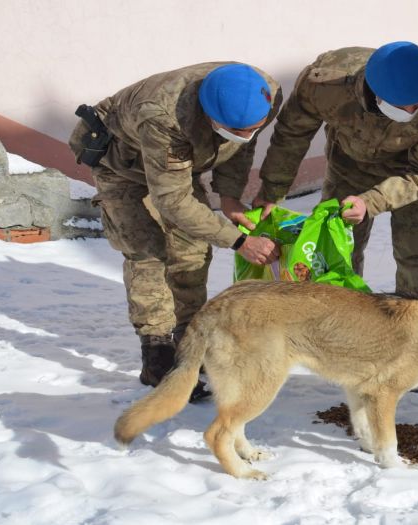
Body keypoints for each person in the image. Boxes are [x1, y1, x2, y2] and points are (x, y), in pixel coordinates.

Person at [69, 63, 282, 400]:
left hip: (178, 163)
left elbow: (240, 148)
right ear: (211, 117)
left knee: (192, 248)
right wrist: (238, 241)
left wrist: (228, 196)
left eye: (253, 128)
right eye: (235, 129)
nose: (246, 135)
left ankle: (190, 340)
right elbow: (173, 202)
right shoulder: (164, 117)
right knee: (146, 249)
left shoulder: (264, 94)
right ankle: (157, 354)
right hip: (120, 161)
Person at [256, 42, 418, 305]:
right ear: (374, 93)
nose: (412, 113)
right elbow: (292, 135)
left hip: (416, 176)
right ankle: (343, 321)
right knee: (336, 252)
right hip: (350, 168)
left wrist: (370, 202)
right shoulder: (325, 85)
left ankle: (414, 329)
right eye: (403, 106)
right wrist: (272, 191)